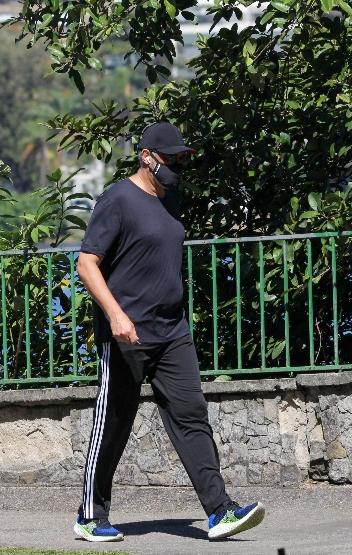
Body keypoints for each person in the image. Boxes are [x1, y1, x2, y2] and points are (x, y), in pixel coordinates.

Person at [73, 122, 265, 542]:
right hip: (127, 335)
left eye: (182, 159)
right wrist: (117, 316)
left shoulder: (170, 199)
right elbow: (87, 264)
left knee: (192, 416)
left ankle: (219, 511)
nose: (178, 165)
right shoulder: (118, 199)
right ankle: (90, 515)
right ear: (146, 157)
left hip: (172, 331)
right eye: (171, 159)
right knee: (114, 422)